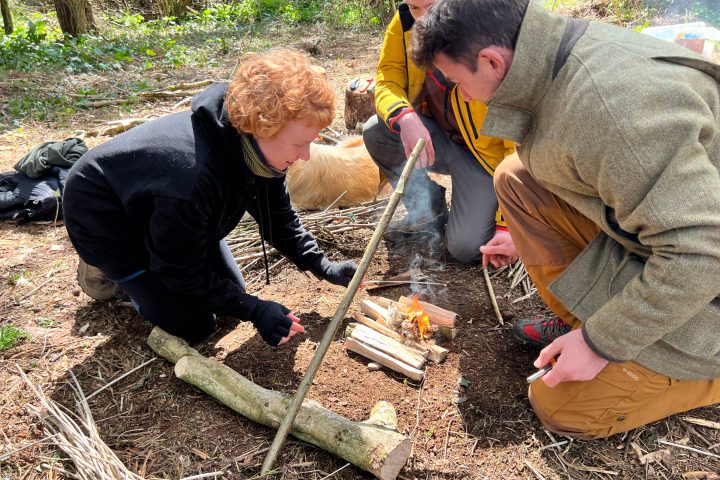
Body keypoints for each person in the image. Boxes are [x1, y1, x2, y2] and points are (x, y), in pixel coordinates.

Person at [411, 0, 720, 439]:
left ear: (491, 61)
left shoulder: (612, 111)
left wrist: (600, 343)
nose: (460, 94)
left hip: (706, 283)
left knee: (562, 408)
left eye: (458, 82)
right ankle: (586, 319)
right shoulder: (555, 59)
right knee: (516, 179)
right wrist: (531, 235)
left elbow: (702, 253)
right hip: (667, 239)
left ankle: (702, 369)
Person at [63, 48, 358, 346]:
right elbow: (178, 269)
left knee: (229, 295)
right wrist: (255, 310)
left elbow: (278, 220)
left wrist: (323, 266)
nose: (305, 156)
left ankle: (162, 255)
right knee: (195, 324)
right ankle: (111, 273)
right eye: (299, 144)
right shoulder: (193, 177)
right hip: (107, 221)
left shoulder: (259, 152)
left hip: (169, 216)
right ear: (263, 127)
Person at [362, 0, 516, 263]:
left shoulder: (487, 29)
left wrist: (508, 223)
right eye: (414, 7)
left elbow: (517, 149)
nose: (421, 19)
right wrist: (405, 115)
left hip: (485, 160)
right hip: (438, 139)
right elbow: (388, 78)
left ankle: (485, 210)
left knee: (465, 248)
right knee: (377, 130)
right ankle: (429, 210)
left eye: (430, 6)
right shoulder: (404, 22)